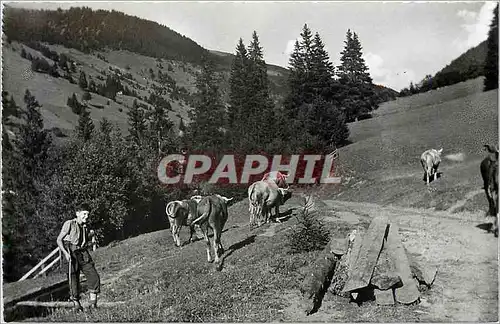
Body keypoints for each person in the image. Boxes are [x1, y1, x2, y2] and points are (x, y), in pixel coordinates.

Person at [56, 203, 101, 311]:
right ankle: (76, 304)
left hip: (82, 252)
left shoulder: (85, 226)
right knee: (73, 279)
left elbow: (84, 240)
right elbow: (59, 240)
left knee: (93, 275)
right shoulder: (69, 223)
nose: (86, 216)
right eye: (84, 214)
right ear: (77, 213)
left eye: (88, 214)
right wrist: (66, 254)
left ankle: (93, 304)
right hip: (70, 251)